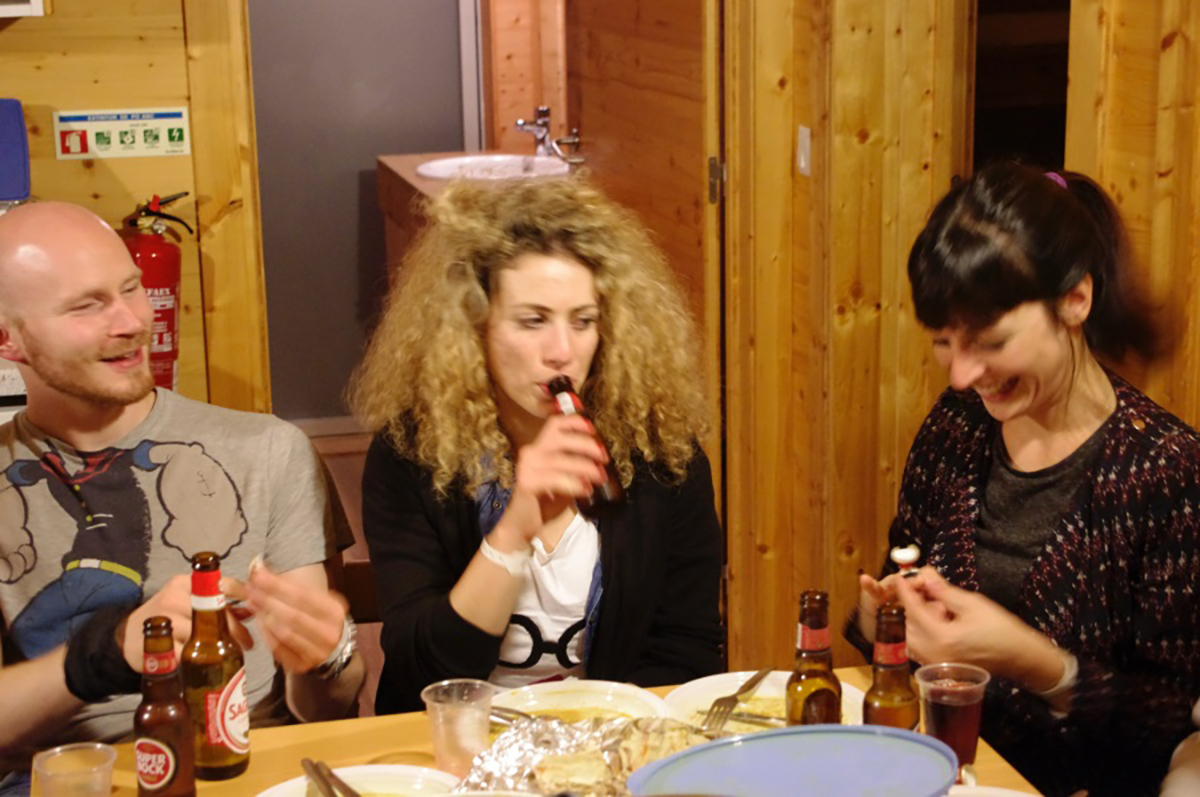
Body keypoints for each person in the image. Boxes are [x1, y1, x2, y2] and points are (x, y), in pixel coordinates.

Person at [848, 162, 1200, 796]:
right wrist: (887, 620)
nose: (961, 374)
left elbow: (1175, 722)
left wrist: (1033, 662)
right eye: (943, 342)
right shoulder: (957, 427)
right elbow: (896, 593)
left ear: (1075, 300)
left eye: (990, 340)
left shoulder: (1167, 472)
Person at [0, 202, 364, 791]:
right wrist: (110, 652)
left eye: (131, 289)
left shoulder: (268, 449)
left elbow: (326, 713)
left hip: (251, 774)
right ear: (7, 339)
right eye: (88, 306)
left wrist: (329, 657)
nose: (130, 322)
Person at [350, 176, 724, 714]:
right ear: (474, 326)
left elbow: (686, 652)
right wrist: (515, 529)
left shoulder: (663, 456)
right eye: (533, 321)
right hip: (455, 747)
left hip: (610, 746)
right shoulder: (413, 454)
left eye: (584, 322)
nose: (561, 352)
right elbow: (422, 668)